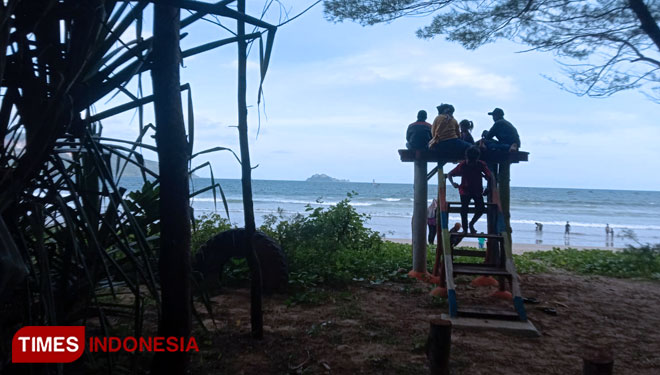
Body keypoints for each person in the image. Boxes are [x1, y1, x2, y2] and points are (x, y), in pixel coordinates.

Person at [448, 146, 492, 234]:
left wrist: (488, 187)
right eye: (469, 161)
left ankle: (471, 223)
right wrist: (453, 184)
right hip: (464, 190)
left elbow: (489, 176)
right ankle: (465, 229)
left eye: (473, 161)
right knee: (464, 210)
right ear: (466, 158)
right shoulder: (463, 165)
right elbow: (450, 174)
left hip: (477, 191)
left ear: (477, 159)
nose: (471, 163)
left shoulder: (481, 164)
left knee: (481, 209)